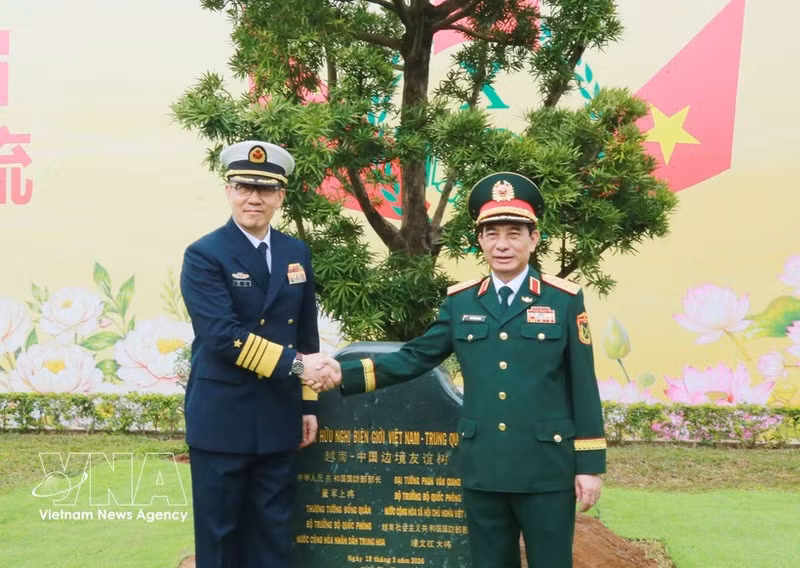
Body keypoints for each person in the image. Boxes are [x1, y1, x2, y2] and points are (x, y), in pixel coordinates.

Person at [309, 172, 606, 568]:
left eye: (514, 233)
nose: (503, 244)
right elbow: (415, 357)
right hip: (484, 468)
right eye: (492, 233)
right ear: (480, 241)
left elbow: (583, 386)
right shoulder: (462, 302)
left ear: (533, 239)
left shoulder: (563, 301)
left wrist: (589, 468)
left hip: (546, 470)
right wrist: (342, 372)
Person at [180, 140, 339, 568]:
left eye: (265, 189)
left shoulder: (295, 252)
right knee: (219, 536)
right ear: (229, 191)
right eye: (244, 187)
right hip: (222, 416)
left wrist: (308, 404)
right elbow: (221, 336)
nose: (254, 198)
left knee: (273, 532)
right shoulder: (204, 255)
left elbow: (305, 332)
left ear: (281, 196)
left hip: (278, 413)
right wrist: (299, 368)